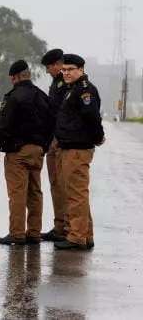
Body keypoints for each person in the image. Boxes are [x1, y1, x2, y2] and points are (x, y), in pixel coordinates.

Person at [0, 60, 55, 245]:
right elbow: (52, 122)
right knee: (35, 192)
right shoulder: (42, 96)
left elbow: (4, 125)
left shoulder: (13, 97)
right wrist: (44, 145)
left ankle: (17, 233)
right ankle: (34, 232)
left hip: (17, 152)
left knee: (17, 193)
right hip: (37, 151)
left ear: (14, 77)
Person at [53, 53, 105, 250]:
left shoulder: (84, 91)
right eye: (64, 70)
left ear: (81, 70)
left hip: (77, 148)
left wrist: (98, 137)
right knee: (78, 193)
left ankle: (76, 236)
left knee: (76, 194)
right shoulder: (72, 89)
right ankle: (86, 234)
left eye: (70, 70)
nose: (66, 73)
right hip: (70, 146)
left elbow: (92, 116)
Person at [40, 48, 69, 242]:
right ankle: (59, 225)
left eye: (49, 67)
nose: (48, 70)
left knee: (64, 185)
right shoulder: (55, 82)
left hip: (62, 138)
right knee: (55, 184)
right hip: (53, 138)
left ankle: (69, 227)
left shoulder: (66, 82)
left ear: (58, 64)